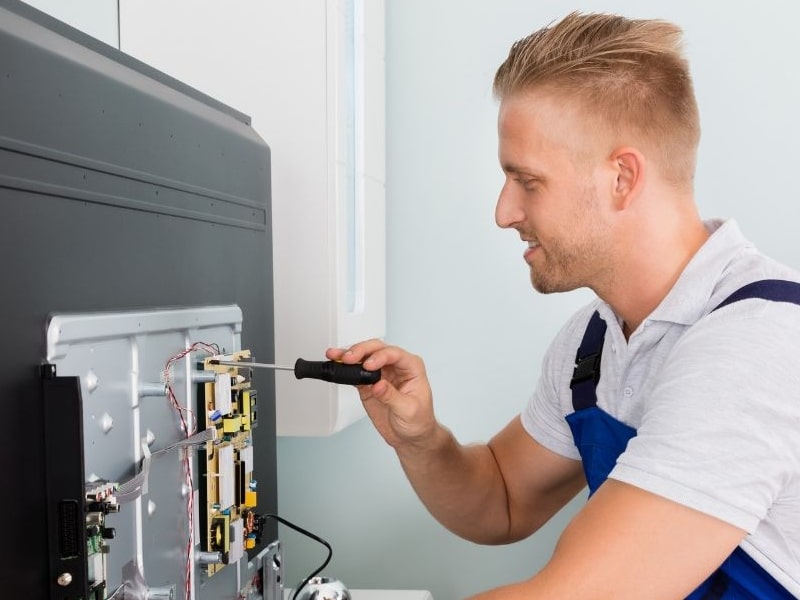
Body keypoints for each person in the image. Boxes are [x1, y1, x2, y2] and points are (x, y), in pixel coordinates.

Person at [327, 12, 800, 599]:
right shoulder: (594, 345)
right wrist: (421, 440)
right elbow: (500, 500)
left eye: (527, 181)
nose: (504, 212)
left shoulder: (752, 347)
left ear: (622, 177)